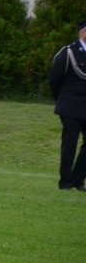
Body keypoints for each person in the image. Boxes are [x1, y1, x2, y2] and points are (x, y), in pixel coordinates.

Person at [49, 20, 86, 192]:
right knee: (69, 144)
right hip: (71, 106)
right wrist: (63, 100)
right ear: (83, 32)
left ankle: (78, 179)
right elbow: (55, 80)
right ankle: (66, 182)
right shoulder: (69, 52)